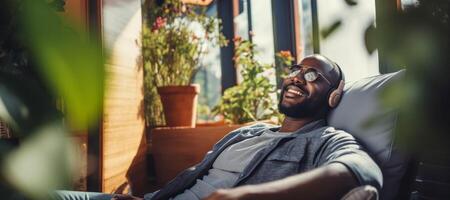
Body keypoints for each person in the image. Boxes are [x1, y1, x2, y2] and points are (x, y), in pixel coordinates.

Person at [54, 54, 382, 200]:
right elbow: (195, 177)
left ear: (333, 97)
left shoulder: (324, 140)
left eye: (313, 75)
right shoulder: (248, 131)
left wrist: (248, 196)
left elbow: (363, 170)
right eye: (296, 69)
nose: (297, 77)